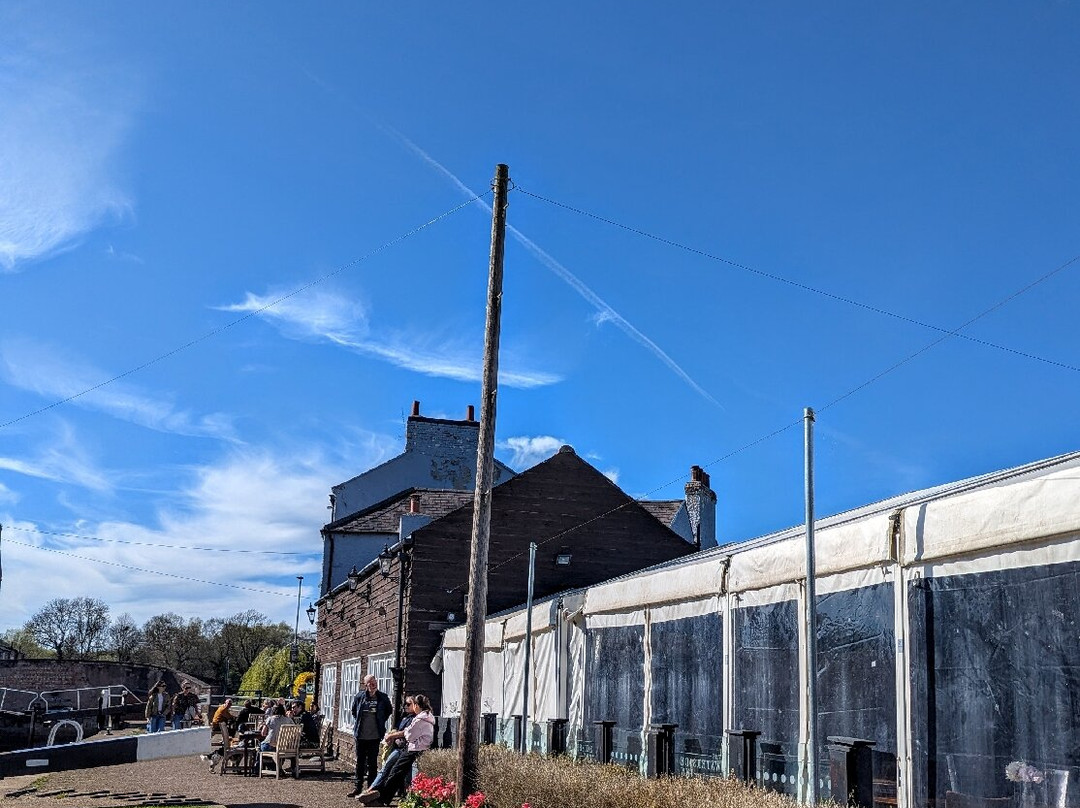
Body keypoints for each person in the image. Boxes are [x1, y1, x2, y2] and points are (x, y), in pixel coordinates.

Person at [356, 694, 434, 806]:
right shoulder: (425, 717)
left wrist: (405, 733)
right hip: (415, 747)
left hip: (415, 749)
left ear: (417, 705)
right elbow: (408, 732)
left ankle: (381, 798)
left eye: (412, 704)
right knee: (395, 771)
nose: (409, 706)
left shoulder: (420, 719)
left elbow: (409, 735)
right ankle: (378, 794)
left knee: (396, 772)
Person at [347, 675, 392, 798]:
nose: (373, 684)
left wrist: (380, 720)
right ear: (365, 685)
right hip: (361, 735)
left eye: (374, 682)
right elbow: (354, 711)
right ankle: (358, 787)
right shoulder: (360, 696)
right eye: (370, 683)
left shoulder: (382, 697)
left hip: (375, 736)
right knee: (360, 762)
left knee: (372, 763)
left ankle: (371, 787)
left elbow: (388, 711)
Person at [368, 697, 416, 795]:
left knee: (406, 773)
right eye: (405, 704)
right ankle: (372, 789)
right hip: (398, 748)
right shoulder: (404, 717)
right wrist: (392, 736)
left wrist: (392, 736)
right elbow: (397, 729)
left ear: (414, 705)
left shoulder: (415, 719)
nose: (405, 706)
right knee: (386, 768)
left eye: (408, 704)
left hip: (407, 749)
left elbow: (405, 732)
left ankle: (407, 794)